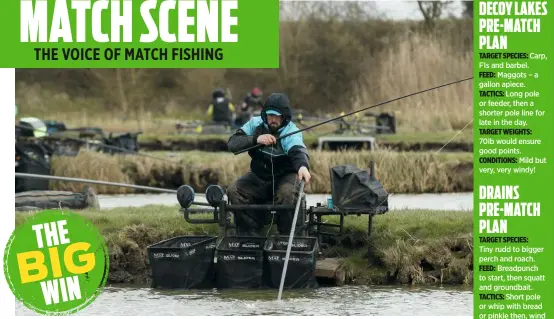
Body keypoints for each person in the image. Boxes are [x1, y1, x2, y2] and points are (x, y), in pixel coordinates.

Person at [226, 93, 311, 236]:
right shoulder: (255, 124)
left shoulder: (291, 131)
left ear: (284, 117)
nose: (273, 119)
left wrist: (302, 166)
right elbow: (233, 143)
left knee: (286, 193)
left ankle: (286, 234)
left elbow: (297, 151)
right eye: (270, 115)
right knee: (233, 190)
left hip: (285, 176)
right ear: (265, 115)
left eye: (277, 116)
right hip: (258, 176)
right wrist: (256, 139)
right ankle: (250, 231)